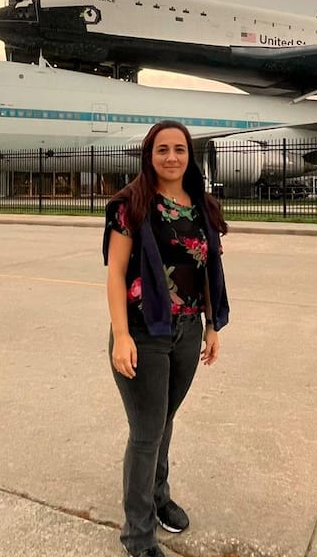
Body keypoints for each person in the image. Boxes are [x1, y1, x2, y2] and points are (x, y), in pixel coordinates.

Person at [102, 120, 230, 557]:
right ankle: (137, 538)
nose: (172, 157)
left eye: (179, 149)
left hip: (188, 330)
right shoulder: (132, 204)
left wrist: (212, 327)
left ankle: (158, 498)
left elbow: (209, 272)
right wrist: (121, 335)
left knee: (164, 420)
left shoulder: (202, 207)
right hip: (143, 331)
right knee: (145, 432)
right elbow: (116, 273)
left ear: (189, 155)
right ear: (149, 155)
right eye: (163, 149)